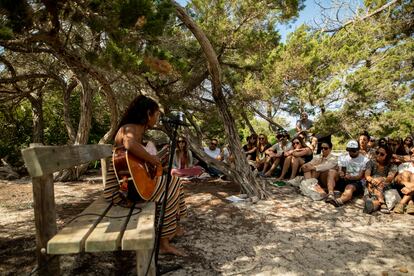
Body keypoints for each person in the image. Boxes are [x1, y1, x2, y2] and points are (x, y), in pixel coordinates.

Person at [103, 95, 187, 256]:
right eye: (156, 114)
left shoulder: (136, 130)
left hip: (131, 187)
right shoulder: (129, 128)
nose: (157, 118)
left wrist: (152, 162)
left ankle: (174, 226)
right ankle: (164, 241)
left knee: (175, 182)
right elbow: (129, 144)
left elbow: (135, 163)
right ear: (148, 113)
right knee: (173, 186)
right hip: (122, 192)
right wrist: (154, 160)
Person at [326, 140, 369, 207]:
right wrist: (341, 173)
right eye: (349, 150)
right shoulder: (343, 157)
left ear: (358, 150)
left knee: (350, 187)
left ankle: (339, 201)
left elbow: (360, 176)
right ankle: (330, 194)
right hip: (344, 180)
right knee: (332, 171)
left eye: (353, 151)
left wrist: (351, 177)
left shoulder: (365, 160)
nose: (351, 153)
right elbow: (341, 169)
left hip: (356, 182)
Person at [363, 145, 397, 214]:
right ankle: (382, 203)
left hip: (385, 187)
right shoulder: (371, 162)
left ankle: (375, 204)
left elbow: (390, 178)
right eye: (377, 152)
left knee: (379, 182)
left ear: (387, 156)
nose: (378, 155)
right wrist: (373, 180)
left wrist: (381, 179)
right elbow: (367, 175)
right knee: (374, 179)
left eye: (382, 154)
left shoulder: (392, 165)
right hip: (372, 185)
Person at [393, 147, 414, 214]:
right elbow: (396, 179)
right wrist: (406, 184)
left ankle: (402, 203)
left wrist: (411, 189)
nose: (413, 154)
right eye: (411, 153)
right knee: (406, 173)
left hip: (410, 190)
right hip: (403, 190)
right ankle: (410, 202)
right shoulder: (404, 165)